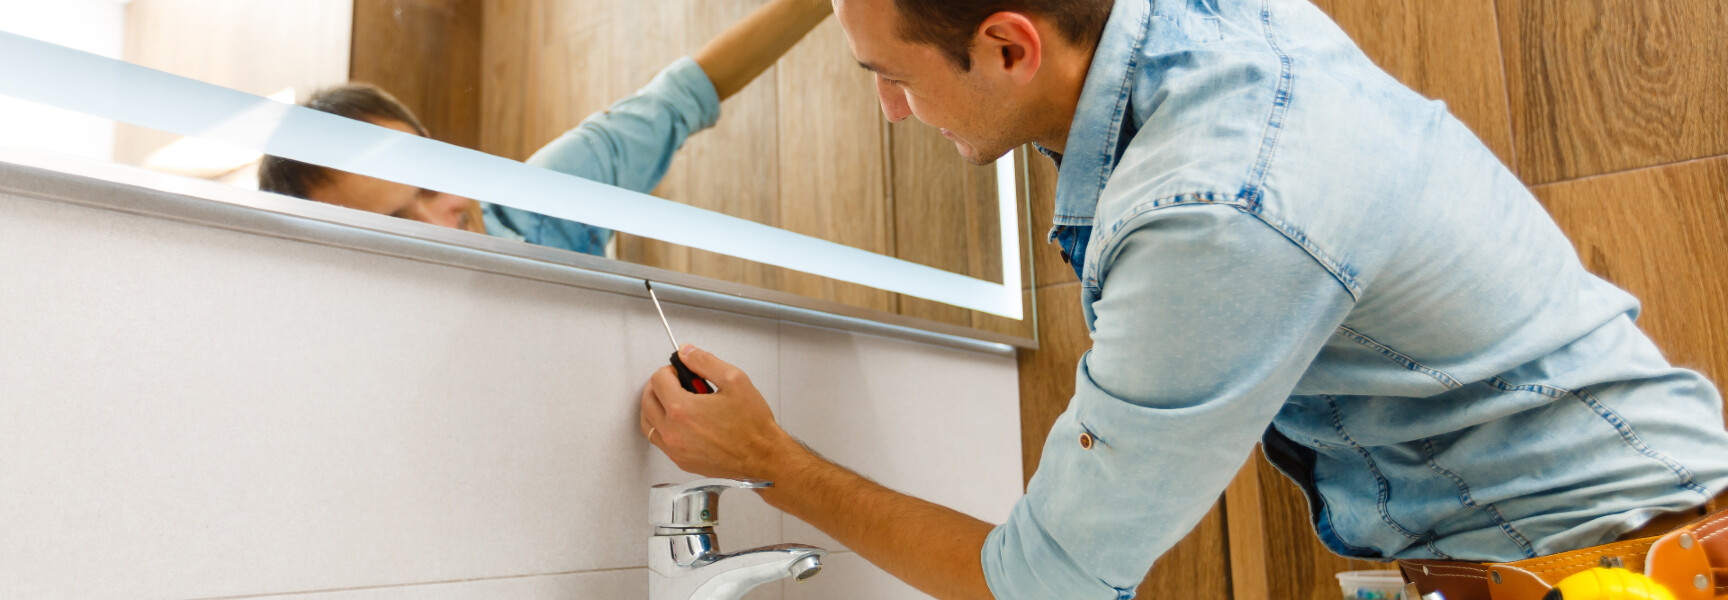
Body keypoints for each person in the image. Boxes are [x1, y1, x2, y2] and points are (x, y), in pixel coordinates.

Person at [636, 0, 1728, 599]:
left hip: (1619, 569)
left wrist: (774, 462)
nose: (890, 111)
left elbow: (1044, 590)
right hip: (1600, 522)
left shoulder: (1212, 209)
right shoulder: (1187, 26)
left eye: (890, 74)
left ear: (1008, 44)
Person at [259, 0, 834, 257]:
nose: (443, 222)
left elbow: (681, 95)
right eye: (393, 224)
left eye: (431, 183)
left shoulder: (537, 205)